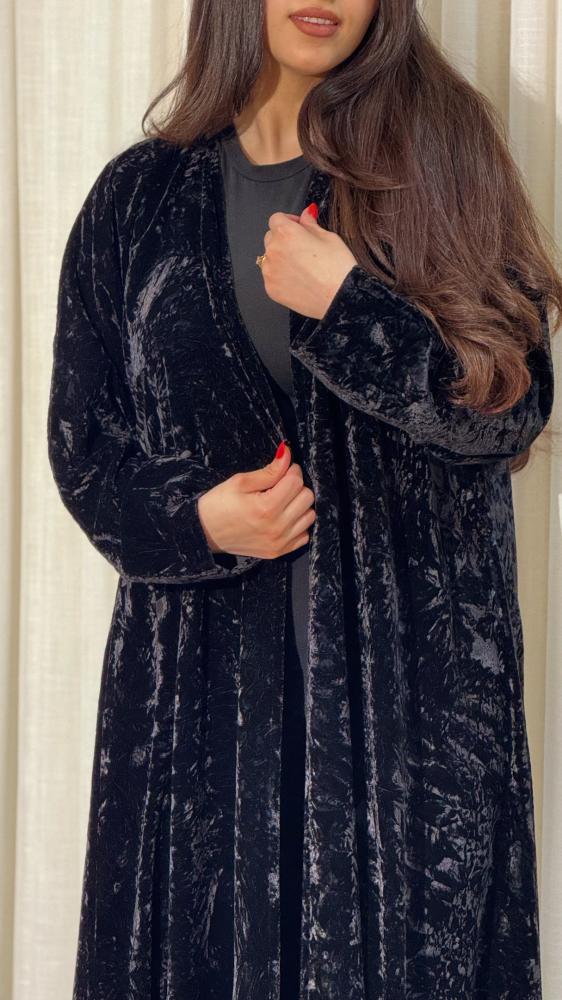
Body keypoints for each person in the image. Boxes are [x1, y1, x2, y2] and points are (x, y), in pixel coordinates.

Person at [47, 1, 561, 998]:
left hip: (407, 727)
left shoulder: (439, 156)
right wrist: (199, 519)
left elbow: (511, 406)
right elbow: (85, 449)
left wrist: (352, 308)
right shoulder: (138, 199)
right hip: (198, 721)